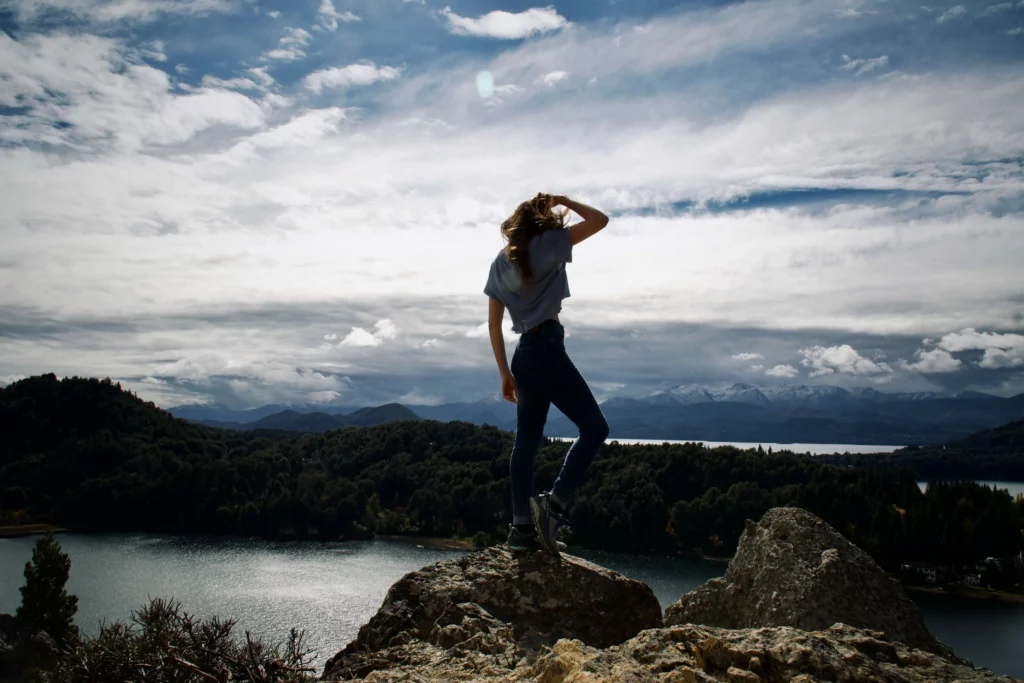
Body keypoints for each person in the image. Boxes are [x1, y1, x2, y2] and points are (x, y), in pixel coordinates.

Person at [483, 192, 611, 554]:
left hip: (524, 355)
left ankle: (521, 528)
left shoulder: (500, 261)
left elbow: (494, 324)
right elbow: (600, 220)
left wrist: (505, 373)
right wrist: (566, 200)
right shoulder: (551, 241)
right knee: (595, 428)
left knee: (526, 441)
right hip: (549, 348)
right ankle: (554, 506)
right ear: (543, 218)